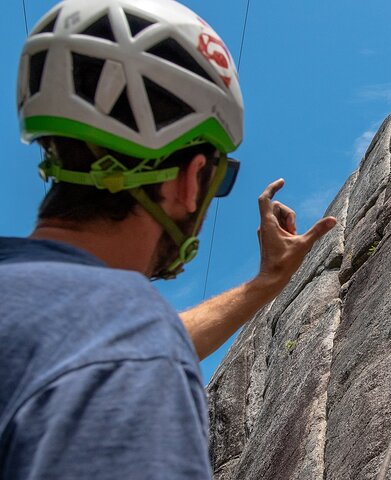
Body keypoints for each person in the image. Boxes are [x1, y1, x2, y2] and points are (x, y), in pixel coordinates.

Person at [0, 0, 336, 478]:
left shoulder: (65, 327)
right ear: (190, 179)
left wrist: (265, 284)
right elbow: (118, 347)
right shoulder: (129, 354)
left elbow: (82, 340)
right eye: (220, 179)